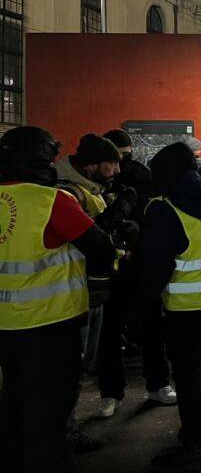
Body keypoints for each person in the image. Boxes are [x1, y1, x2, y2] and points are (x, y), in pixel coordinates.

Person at [0, 127, 116, 473]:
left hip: (5, 325)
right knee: (50, 404)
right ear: (40, 160)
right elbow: (100, 248)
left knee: (14, 400)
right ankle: (47, 470)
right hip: (50, 322)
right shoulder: (52, 201)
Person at [138, 142, 201, 473]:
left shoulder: (164, 207)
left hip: (187, 306)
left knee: (188, 375)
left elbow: (156, 266)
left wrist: (138, 311)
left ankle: (196, 446)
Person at [95, 129, 176, 418]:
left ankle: (119, 392)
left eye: (122, 159)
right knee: (131, 329)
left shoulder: (137, 178)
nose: (118, 167)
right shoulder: (88, 187)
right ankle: (146, 387)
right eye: (114, 160)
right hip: (124, 267)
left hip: (131, 265)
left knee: (132, 329)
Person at [54, 134, 136, 373]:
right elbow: (92, 236)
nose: (118, 170)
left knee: (88, 359)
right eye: (113, 163)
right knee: (75, 365)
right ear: (92, 164)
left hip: (96, 282)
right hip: (76, 286)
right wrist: (121, 208)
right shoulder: (67, 192)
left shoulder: (90, 187)